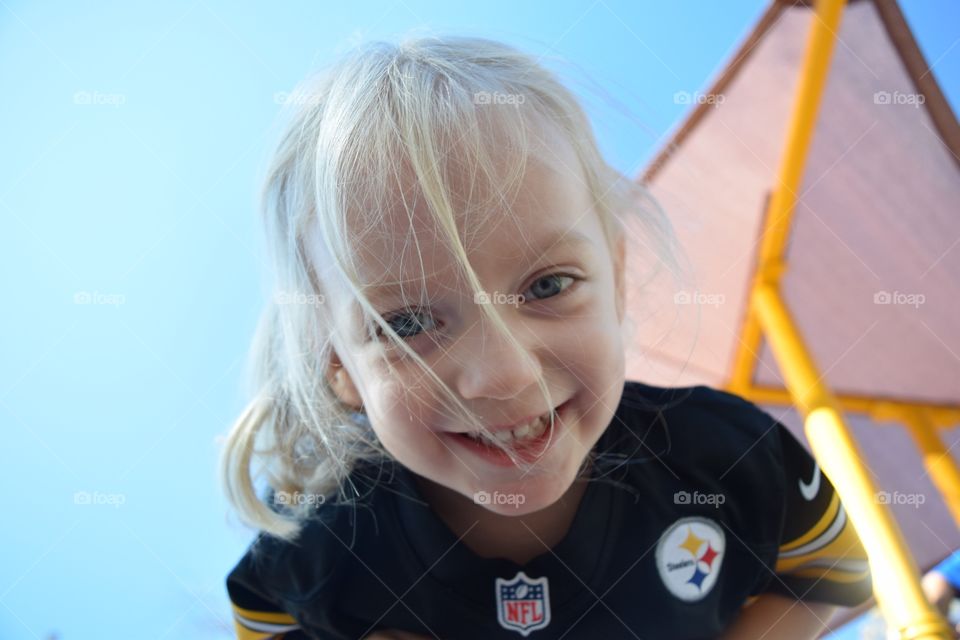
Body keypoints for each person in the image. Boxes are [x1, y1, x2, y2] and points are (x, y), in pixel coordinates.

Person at [220, 35, 873, 639]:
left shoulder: (726, 462)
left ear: (614, 278)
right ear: (338, 366)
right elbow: (266, 617)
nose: (504, 375)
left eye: (547, 286)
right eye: (408, 323)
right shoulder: (326, 543)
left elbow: (828, 571)